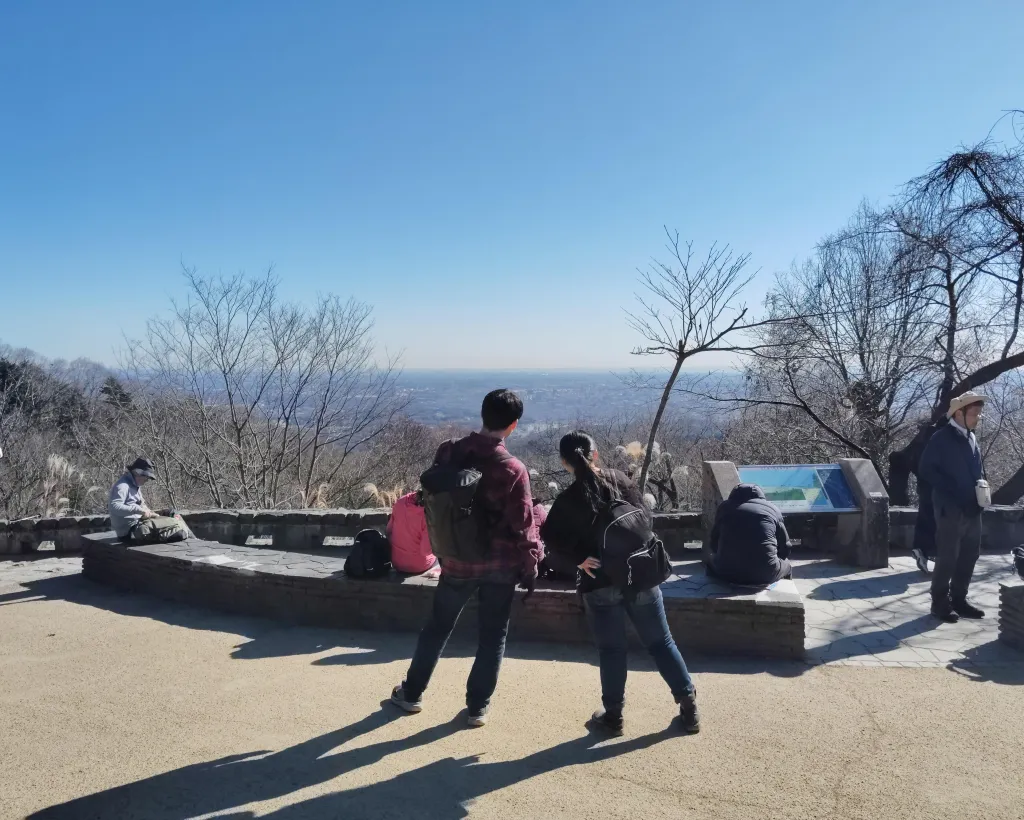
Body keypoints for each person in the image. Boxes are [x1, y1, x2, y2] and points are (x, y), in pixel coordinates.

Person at [390, 389, 542, 727]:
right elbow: (525, 525)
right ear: (514, 426)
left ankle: (412, 693)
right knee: (493, 635)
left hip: (456, 559)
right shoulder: (513, 469)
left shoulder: (449, 451)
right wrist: (531, 565)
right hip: (500, 566)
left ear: (483, 414)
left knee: (437, 627)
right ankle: (477, 707)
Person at [540, 431, 699, 736]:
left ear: (564, 462)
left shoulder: (567, 500)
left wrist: (579, 559)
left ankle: (613, 715)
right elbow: (646, 521)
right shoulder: (621, 481)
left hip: (599, 581)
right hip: (639, 574)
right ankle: (689, 706)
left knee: (612, 650)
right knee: (662, 643)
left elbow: (549, 539)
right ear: (595, 454)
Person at [918, 391, 988, 623]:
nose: (978, 417)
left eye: (979, 413)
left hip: (973, 507)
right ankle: (939, 603)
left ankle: (959, 599)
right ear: (959, 413)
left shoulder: (972, 436)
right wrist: (952, 489)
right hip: (950, 508)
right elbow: (926, 469)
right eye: (974, 413)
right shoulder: (941, 438)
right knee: (948, 557)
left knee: (970, 555)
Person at [705, 484, 793, 586]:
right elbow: (786, 547)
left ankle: (709, 590)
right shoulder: (773, 509)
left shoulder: (724, 508)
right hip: (765, 574)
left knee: (710, 561)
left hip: (726, 571)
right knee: (787, 565)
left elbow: (713, 543)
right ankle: (783, 594)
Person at [108, 458, 189, 544]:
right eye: (145, 478)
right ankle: (184, 531)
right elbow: (114, 507)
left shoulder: (135, 485)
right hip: (132, 529)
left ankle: (187, 533)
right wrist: (140, 511)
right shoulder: (122, 486)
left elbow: (140, 504)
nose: (146, 481)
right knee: (179, 530)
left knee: (171, 512)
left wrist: (149, 512)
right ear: (137, 473)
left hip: (141, 519)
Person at [386, 491, 439, 575]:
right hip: (419, 566)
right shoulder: (428, 516)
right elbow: (425, 551)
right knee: (441, 558)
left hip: (396, 562)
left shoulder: (400, 502)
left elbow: (389, 530)